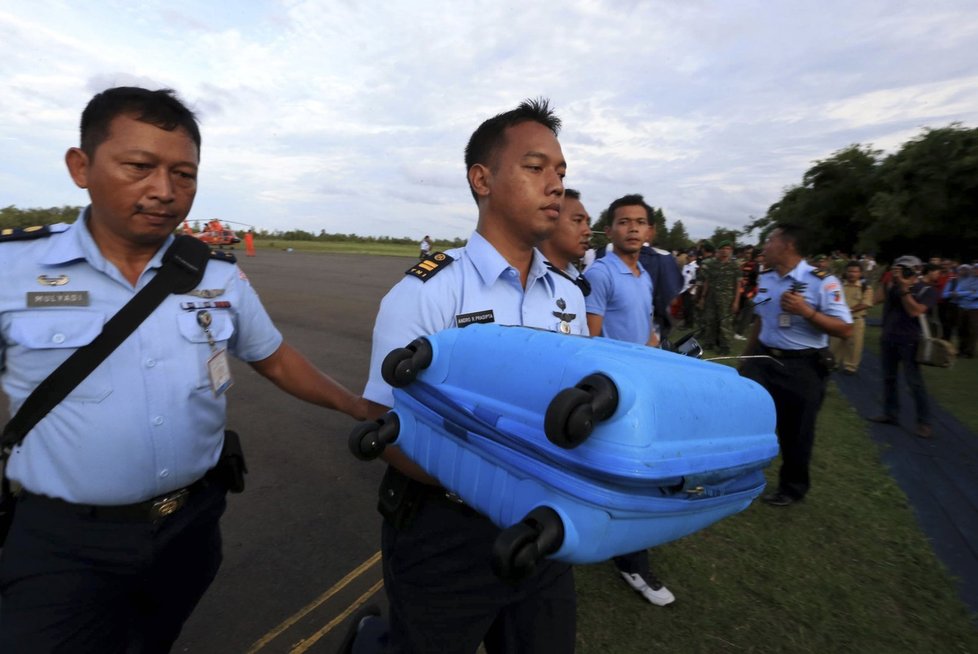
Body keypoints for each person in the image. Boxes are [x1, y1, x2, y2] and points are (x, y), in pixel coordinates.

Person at [0, 87, 368, 653]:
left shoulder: (215, 275)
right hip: (63, 541)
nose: (165, 191)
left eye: (184, 174)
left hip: (188, 529)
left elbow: (273, 357)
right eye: (139, 167)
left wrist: (357, 406)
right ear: (81, 167)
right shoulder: (13, 268)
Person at [358, 99, 584, 654]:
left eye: (560, 172)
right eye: (536, 168)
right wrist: (488, 482)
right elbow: (383, 421)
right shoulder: (428, 290)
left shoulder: (568, 297)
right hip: (447, 536)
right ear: (481, 179)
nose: (555, 184)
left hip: (547, 531)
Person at [582, 194, 675, 607]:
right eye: (623, 222)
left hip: (644, 382)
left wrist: (658, 357)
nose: (632, 228)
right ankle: (632, 562)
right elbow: (592, 337)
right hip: (620, 390)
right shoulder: (602, 273)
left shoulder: (643, 274)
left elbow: (648, 331)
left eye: (639, 222)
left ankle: (619, 542)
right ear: (610, 229)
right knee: (630, 475)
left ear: (650, 231)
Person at [740, 224, 852, 506]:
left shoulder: (822, 282)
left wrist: (806, 311)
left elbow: (844, 329)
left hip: (801, 366)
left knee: (796, 430)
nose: (764, 246)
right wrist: (746, 356)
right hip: (762, 360)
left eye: (769, 241)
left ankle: (792, 487)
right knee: (746, 418)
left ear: (787, 245)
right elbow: (761, 319)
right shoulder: (766, 278)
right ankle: (738, 475)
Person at [868, 256, 938, 438]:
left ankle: (924, 422)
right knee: (888, 378)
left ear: (917, 270)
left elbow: (914, 311)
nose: (901, 272)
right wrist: (888, 281)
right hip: (889, 338)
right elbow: (875, 300)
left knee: (914, 383)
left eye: (905, 269)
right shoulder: (892, 285)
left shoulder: (926, 290)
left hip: (910, 341)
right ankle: (890, 414)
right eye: (898, 268)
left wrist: (905, 289)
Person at [538, 188, 592, 292]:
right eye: (578, 220)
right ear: (549, 221)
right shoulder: (524, 281)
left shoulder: (577, 283)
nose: (588, 232)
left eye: (587, 223)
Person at [829, 261, 874, 374]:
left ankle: (850, 367)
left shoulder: (865, 288)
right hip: (839, 320)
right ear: (845, 272)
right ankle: (833, 363)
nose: (852, 274)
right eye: (849, 271)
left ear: (860, 273)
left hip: (856, 320)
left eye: (855, 271)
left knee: (854, 345)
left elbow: (866, 303)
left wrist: (848, 310)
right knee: (835, 343)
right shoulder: (839, 286)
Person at [698, 241, 742, 354]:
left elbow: (738, 285)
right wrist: (703, 297)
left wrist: (736, 302)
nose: (725, 251)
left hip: (727, 299)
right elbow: (707, 281)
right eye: (723, 248)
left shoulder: (735, 265)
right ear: (719, 250)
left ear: (731, 251)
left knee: (725, 322)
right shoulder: (712, 264)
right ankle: (709, 342)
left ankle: (725, 346)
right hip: (711, 296)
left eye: (728, 248)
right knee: (710, 319)